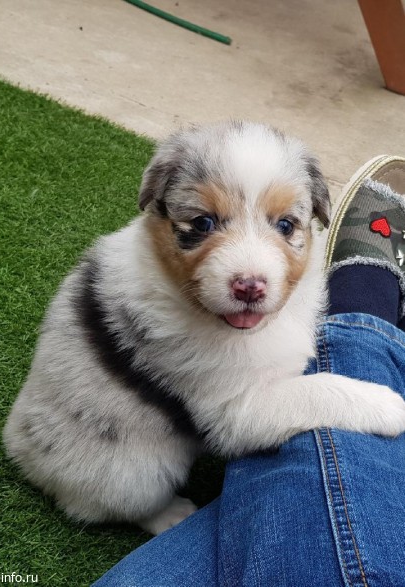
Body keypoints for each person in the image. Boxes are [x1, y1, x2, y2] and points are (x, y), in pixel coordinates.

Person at [91, 156, 405, 587]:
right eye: (203, 224)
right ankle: (363, 316)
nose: (250, 278)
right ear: (156, 207)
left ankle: (362, 321)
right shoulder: (149, 305)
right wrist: (354, 399)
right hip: (103, 454)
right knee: (138, 489)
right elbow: (239, 422)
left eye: (284, 226)